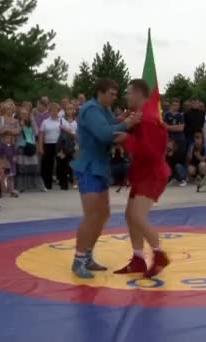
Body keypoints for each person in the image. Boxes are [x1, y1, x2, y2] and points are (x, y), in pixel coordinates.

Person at [70, 79, 141, 279]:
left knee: (103, 214)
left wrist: (122, 120)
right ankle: (78, 259)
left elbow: (111, 126)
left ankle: (88, 255)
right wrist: (127, 123)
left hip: (100, 167)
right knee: (92, 215)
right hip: (89, 168)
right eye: (111, 93)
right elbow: (104, 133)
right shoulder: (91, 109)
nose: (114, 97)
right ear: (100, 92)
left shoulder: (105, 109)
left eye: (116, 93)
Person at [113, 79, 171, 277]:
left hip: (152, 174)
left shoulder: (148, 119)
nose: (126, 96)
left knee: (137, 216)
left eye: (129, 92)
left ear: (139, 94)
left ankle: (159, 254)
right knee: (130, 216)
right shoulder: (140, 116)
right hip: (143, 173)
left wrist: (126, 139)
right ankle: (138, 259)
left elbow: (153, 152)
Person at [38, 103, 62, 190]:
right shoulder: (45, 122)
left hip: (59, 145)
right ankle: (47, 184)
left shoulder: (61, 120)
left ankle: (63, 183)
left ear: (58, 111)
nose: (54, 112)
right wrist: (40, 147)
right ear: (49, 112)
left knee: (61, 163)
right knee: (47, 165)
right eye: (52, 111)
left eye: (56, 111)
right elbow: (41, 135)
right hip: (48, 144)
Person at [56, 103, 78, 190]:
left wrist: (69, 131)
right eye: (68, 109)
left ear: (74, 110)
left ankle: (74, 181)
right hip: (63, 145)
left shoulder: (76, 121)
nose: (70, 110)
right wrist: (69, 132)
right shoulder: (61, 120)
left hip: (73, 145)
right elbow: (60, 131)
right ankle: (63, 183)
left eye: (71, 109)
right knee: (62, 164)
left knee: (73, 164)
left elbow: (76, 134)